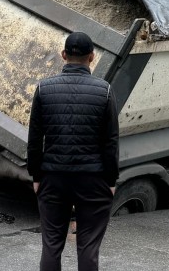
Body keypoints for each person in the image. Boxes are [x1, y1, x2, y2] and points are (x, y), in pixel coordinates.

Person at [28, 32, 119, 271]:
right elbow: (110, 141)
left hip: (53, 177)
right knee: (88, 247)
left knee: (51, 245)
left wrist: (36, 176)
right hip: (93, 178)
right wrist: (111, 180)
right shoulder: (105, 91)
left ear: (63, 55)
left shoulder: (43, 89)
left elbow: (35, 140)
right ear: (92, 57)